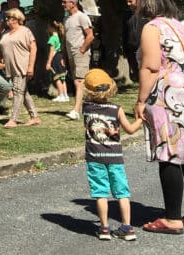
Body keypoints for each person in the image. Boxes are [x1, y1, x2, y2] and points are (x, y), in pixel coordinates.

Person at [135, 0, 184, 234]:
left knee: (168, 151)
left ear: (148, 3)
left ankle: (172, 217)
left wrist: (140, 100)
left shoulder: (151, 28)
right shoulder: (178, 25)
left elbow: (151, 66)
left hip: (165, 91)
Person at [82, 68, 140, 241]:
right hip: (115, 157)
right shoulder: (116, 109)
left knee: (100, 193)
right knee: (122, 192)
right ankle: (127, 227)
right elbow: (129, 130)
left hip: (94, 157)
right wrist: (140, 120)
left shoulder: (86, 108)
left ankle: (104, 228)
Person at [0, 8, 39, 127]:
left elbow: (33, 48)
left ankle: (13, 119)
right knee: (23, 92)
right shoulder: (6, 33)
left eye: (9, 18)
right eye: (7, 18)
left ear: (17, 19)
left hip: (22, 65)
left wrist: (31, 66)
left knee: (17, 91)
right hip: (11, 66)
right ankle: (35, 117)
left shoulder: (25, 31)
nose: (7, 20)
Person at [62, 0, 94, 120]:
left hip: (80, 52)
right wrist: (64, 55)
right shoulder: (67, 19)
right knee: (80, 81)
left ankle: (76, 110)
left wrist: (82, 49)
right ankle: (89, 105)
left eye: (65, 2)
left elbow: (90, 35)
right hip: (70, 53)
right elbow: (65, 40)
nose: (63, 4)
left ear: (73, 3)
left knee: (79, 81)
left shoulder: (82, 17)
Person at [122, 0, 145, 84]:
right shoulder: (126, 16)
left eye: (130, 1)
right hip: (131, 50)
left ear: (137, 0)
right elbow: (124, 33)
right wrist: (125, 49)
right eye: (127, 1)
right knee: (137, 75)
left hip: (143, 48)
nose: (128, 4)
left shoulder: (146, 14)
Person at [46, 20, 69, 102]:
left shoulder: (52, 39)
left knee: (57, 77)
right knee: (63, 77)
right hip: (60, 56)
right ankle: (65, 95)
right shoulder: (60, 37)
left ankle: (61, 94)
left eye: (48, 27)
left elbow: (52, 51)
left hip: (55, 58)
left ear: (52, 28)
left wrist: (48, 62)